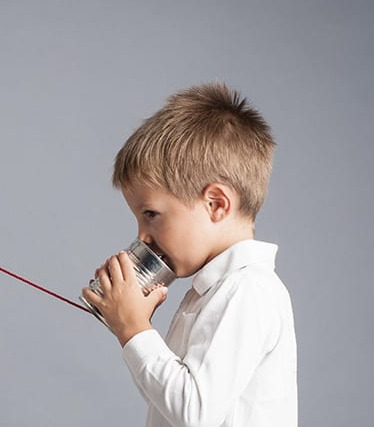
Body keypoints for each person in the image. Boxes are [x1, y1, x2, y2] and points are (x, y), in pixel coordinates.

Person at [82, 83, 297, 426]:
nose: (142, 236)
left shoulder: (248, 290)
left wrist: (135, 330)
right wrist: (133, 328)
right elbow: (169, 402)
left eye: (150, 214)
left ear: (216, 204)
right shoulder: (209, 292)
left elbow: (194, 411)